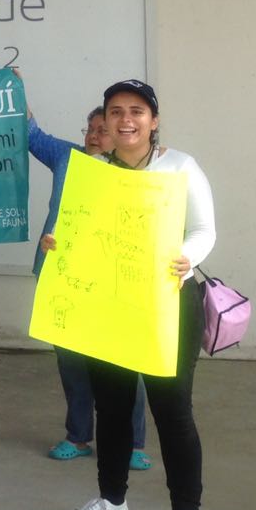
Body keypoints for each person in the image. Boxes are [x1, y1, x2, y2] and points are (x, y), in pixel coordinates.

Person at [59, 79, 215, 510]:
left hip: (170, 303)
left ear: (153, 120)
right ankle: (112, 504)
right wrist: (60, 243)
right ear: (105, 120)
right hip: (109, 305)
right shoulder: (93, 169)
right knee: (111, 409)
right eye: (116, 111)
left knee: (173, 413)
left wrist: (187, 257)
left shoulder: (180, 167)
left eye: (136, 111)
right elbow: (79, 231)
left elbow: (204, 229)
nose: (125, 119)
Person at [31, 105, 152, 469]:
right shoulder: (67, 158)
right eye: (90, 129)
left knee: (125, 364)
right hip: (63, 278)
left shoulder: (135, 173)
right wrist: (14, 87)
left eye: (103, 129)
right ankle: (78, 436)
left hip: (112, 285)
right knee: (73, 365)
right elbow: (30, 133)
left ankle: (133, 444)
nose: (94, 135)